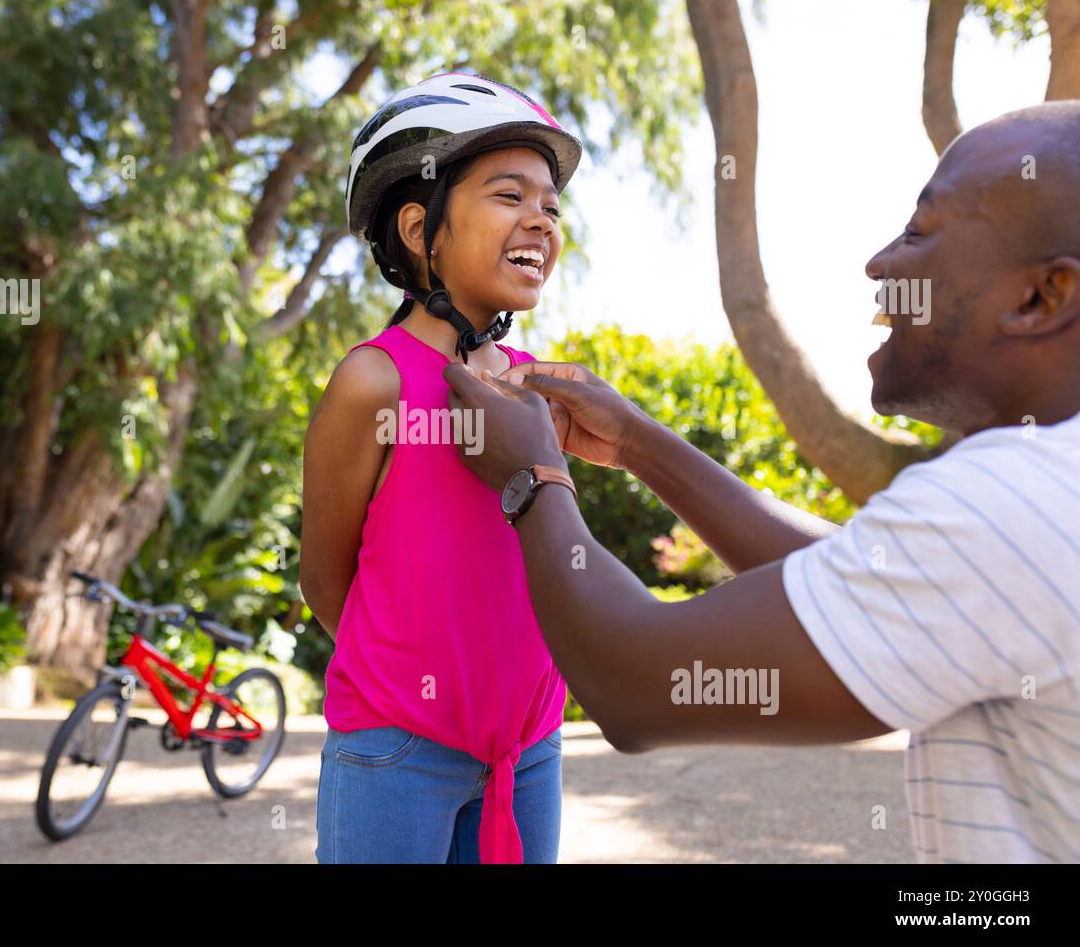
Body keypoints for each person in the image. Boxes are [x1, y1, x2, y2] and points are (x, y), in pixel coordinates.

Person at [442, 101, 1080, 863]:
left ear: (1042, 296)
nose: (881, 263)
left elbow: (638, 683)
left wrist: (533, 477)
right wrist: (639, 441)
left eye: (920, 231)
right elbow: (864, 573)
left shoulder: (1018, 499)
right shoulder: (1043, 492)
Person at [300, 71, 583, 863]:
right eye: (509, 195)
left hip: (528, 749)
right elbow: (326, 580)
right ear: (423, 229)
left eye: (551, 205)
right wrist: (417, 682)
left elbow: (549, 560)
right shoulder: (372, 381)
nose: (541, 219)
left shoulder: (540, 388)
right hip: (397, 748)